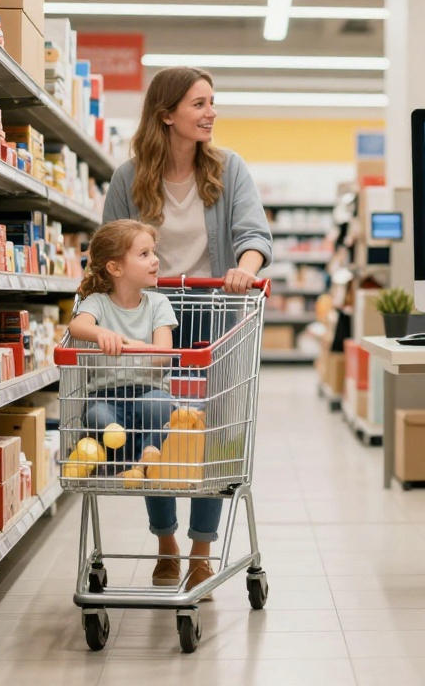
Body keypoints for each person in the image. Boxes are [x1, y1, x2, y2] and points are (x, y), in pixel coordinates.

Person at [102, 66, 273, 592]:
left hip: (215, 314)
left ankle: (202, 549)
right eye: (199, 104)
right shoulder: (128, 178)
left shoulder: (229, 168)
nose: (211, 112)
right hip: (151, 318)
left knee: (207, 430)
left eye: (212, 102)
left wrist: (244, 266)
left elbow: (254, 234)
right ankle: (165, 541)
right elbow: (108, 245)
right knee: (159, 427)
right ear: (167, 115)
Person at [66, 220, 181, 565]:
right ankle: (121, 455)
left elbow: (163, 356)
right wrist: (100, 334)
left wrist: (130, 343)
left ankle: (145, 454)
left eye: (153, 252)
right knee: (96, 416)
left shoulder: (158, 303)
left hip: (147, 392)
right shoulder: (97, 303)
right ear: (115, 267)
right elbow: (77, 326)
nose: (155, 260)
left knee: (159, 407)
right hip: (108, 398)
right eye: (144, 254)